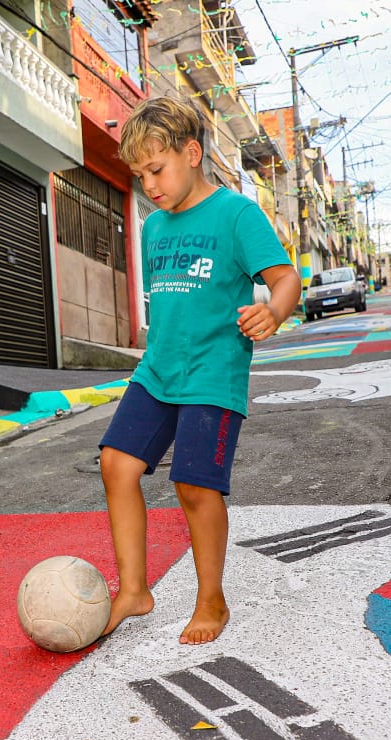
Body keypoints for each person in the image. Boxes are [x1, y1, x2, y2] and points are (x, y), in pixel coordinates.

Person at [99, 96, 301, 645]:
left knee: (193, 484)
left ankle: (211, 598)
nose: (149, 185)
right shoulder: (153, 229)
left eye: (156, 169)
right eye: (140, 176)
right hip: (158, 370)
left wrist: (273, 311)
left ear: (191, 154)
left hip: (213, 372)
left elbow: (285, 279)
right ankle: (134, 590)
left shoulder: (236, 214)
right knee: (116, 464)